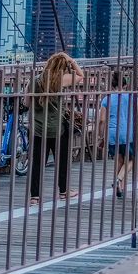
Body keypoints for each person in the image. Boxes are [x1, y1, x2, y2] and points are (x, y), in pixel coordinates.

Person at [28, 52, 83, 206]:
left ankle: (35, 197)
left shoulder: (34, 80)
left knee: (38, 162)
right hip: (58, 127)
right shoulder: (61, 80)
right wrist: (71, 60)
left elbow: (26, 103)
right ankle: (64, 192)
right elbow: (80, 75)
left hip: (38, 127)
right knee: (62, 160)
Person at [99, 71, 134, 198]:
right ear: (125, 85)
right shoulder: (131, 97)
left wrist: (101, 136)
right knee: (131, 160)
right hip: (127, 133)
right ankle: (118, 179)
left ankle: (120, 188)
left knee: (119, 160)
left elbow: (102, 120)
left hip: (113, 133)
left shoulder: (106, 99)